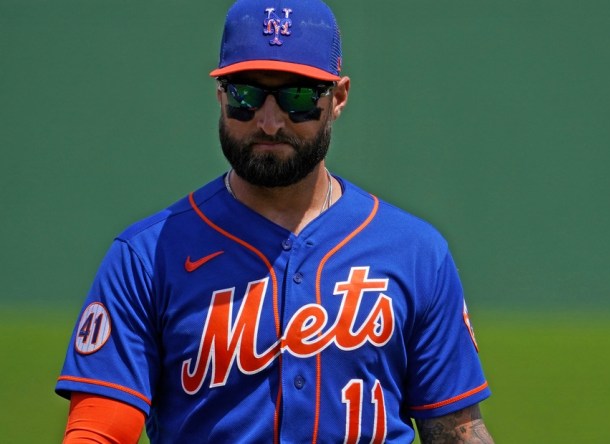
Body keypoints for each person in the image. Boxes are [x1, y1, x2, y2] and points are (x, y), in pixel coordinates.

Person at [55, 0, 493, 442]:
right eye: (245, 96)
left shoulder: (414, 251)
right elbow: (99, 431)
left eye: (297, 98)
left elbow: (457, 432)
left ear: (337, 98)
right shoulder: (147, 256)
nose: (268, 122)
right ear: (221, 95)